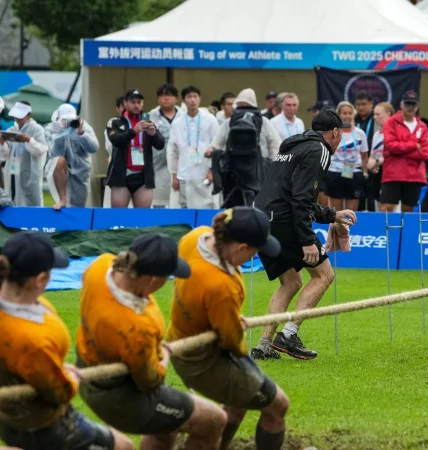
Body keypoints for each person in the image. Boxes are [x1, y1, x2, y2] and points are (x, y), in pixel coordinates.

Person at [76, 233, 226, 449]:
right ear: (153, 279)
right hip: (119, 393)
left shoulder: (99, 267)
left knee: (165, 429)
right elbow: (150, 380)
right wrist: (163, 355)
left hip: (88, 366)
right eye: (167, 277)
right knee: (213, 420)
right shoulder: (137, 328)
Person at [168, 207, 289, 450]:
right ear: (241, 247)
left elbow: (201, 299)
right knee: (278, 405)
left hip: (179, 340)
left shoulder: (196, 237)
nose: (254, 257)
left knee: (238, 402)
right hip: (203, 358)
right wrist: (231, 323)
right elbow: (232, 340)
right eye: (255, 252)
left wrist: (225, 317)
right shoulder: (221, 286)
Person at [0, 232, 134, 450]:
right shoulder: (31, 338)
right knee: (123, 447)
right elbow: (58, 393)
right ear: (40, 279)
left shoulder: (21, 305)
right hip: (44, 423)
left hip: (12, 414)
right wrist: (70, 378)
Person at [252, 109, 357, 360]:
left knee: (291, 282)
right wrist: (307, 240)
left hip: (261, 220)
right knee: (324, 275)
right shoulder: (319, 150)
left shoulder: (293, 146)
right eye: (340, 132)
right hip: (285, 221)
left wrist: (332, 215)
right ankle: (289, 335)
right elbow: (301, 199)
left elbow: (292, 195)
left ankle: (264, 345)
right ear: (334, 132)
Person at [208, 88, 281, 207]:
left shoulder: (264, 122)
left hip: (258, 172)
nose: (243, 108)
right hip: (237, 172)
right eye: (240, 105)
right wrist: (211, 149)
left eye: (246, 105)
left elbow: (275, 146)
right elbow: (217, 142)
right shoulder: (229, 123)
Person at [105, 89, 165, 208]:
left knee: (142, 218)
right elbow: (116, 141)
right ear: (126, 103)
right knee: (119, 216)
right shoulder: (115, 122)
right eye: (133, 102)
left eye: (139, 102)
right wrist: (133, 131)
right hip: (122, 175)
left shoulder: (148, 122)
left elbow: (160, 145)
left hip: (143, 176)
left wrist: (153, 134)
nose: (136, 105)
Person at [167, 85, 220, 209]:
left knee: (205, 207)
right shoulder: (177, 122)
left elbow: (217, 146)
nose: (192, 100)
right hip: (183, 173)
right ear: (183, 101)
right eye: (189, 97)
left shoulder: (210, 120)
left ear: (200, 99)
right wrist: (174, 175)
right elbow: (173, 151)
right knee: (184, 207)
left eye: (195, 96)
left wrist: (212, 171)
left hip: (204, 173)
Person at [380, 90, 428, 212]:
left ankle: (406, 232)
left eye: (413, 104)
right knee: (386, 208)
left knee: (408, 209)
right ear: (401, 105)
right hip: (393, 173)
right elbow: (391, 146)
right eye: (407, 104)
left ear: (417, 106)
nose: (410, 107)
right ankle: (387, 232)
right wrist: (414, 145)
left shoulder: (422, 126)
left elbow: (426, 153)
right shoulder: (391, 122)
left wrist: (401, 150)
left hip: (415, 176)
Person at [44, 103, 99, 210]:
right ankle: (62, 199)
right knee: (59, 160)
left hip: (80, 173)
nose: (68, 122)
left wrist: (81, 133)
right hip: (58, 171)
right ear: (58, 118)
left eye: (70, 119)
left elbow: (94, 148)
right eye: (65, 119)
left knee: (79, 208)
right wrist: (61, 133)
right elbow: (55, 154)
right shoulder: (50, 129)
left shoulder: (83, 126)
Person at [0, 101, 48, 206]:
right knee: (12, 198)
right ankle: (13, 222)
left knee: (31, 202)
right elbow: (4, 155)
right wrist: (2, 143)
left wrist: (29, 140)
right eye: (16, 116)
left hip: (29, 173)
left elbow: (42, 149)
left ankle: (34, 222)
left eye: (20, 116)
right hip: (12, 172)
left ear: (28, 115)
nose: (17, 118)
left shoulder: (37, 130)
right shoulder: (11, 129)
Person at [325, 101, 369, 211]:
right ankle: (335, 229)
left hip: (354, 173)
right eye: (344, 113)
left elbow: (364, 156)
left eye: (350, 113)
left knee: (350, 213)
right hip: (335, 172)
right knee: (336, 214)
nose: (347, 116)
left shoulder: (360, 133)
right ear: (338, 114)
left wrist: (364, 173)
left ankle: (349, 229)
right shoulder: (331, 133)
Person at [149, 84, 181, 208]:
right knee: (158, 199)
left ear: (176, 99)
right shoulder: (150, 116)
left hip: (179, 162)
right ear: (158, 99)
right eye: (162, 96)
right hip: (157, 163)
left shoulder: (184, 116)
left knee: (178, 200)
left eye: (169, 96)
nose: (166, 99)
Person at [365, 102, 393, 211]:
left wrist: (376, 161)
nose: (374, 117)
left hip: (389, 173)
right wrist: (371, 163)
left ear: (388, 114)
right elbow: (372, 154)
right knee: (376, 204)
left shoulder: (394, 133)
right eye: (374, 114)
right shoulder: (376, 134)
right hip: (376, 174)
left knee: (387, 207)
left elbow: (393, 154)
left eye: (378, 114)